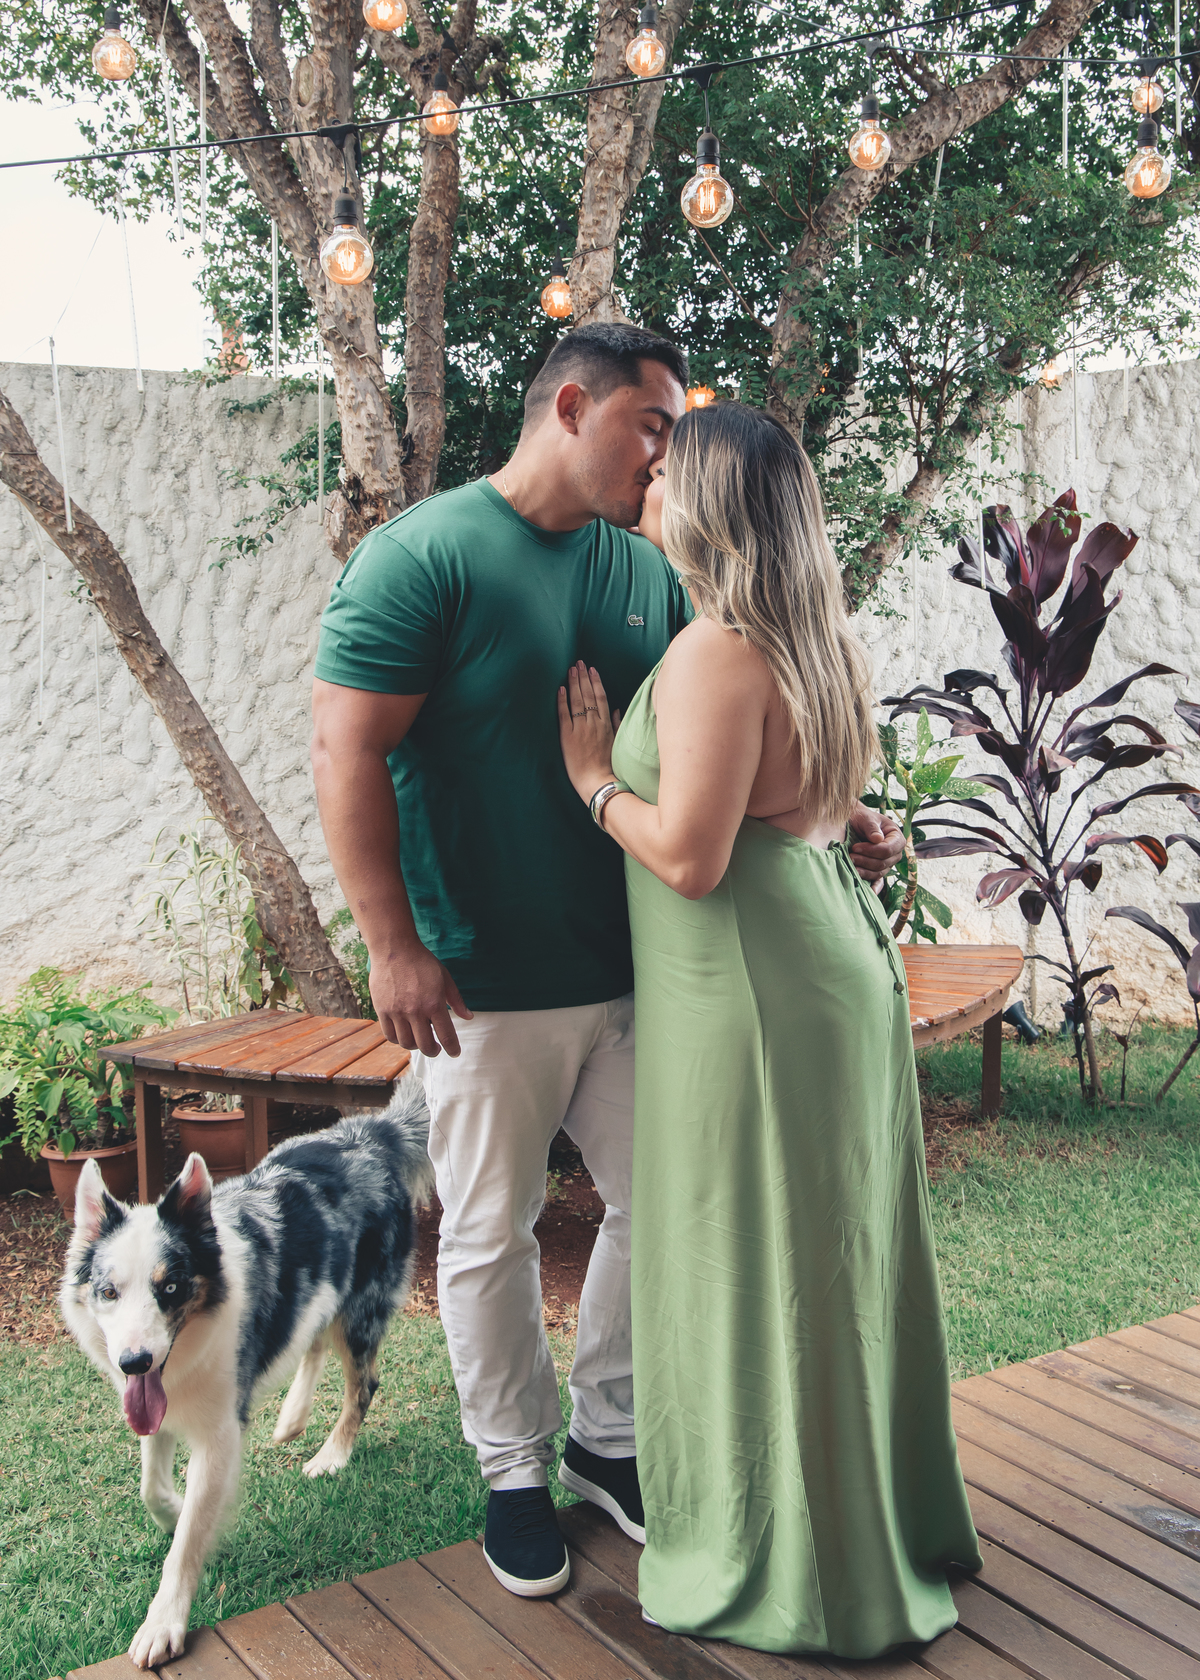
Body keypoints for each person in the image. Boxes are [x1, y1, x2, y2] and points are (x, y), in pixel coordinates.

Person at [311, 325, 903, 1600]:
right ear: (573, 408)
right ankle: (513, 1473)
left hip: (643, 973)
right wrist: (392, 944)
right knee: (491, 1231)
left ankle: (606, 1441)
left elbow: (730, 717)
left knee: (656, 1207)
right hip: (480, 979)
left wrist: (834, 809)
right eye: (653, 425)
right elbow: (344, 748)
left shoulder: (648, 567)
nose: (666, 454)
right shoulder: (421, 556)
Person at [558, 401, 980, 1655]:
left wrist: (593, 778)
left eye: (666, 472)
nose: (647, 482)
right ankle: (867, 1524)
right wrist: (856, 825)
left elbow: (691, 860)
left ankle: (794, 1560)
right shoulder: (814, 638)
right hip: (821, 962)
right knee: (831, 1255)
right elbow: (814, 805)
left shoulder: (715, 654)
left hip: (749, 994)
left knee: (761, 1260)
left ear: (709, 508)